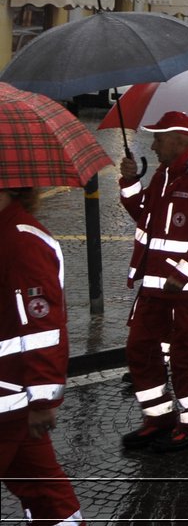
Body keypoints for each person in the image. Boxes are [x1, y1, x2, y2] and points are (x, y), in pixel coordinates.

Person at [119, 111, 188, 454]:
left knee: (184, 358)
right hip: (154, 290)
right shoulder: (164, 175)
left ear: (181, 139)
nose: (154, 143)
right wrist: (129, 181)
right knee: (141, 349)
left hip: (185, 293)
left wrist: (181, 276)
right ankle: (159, 418)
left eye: (159, 137)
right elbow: (144, 216)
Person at [0, 186, 82, 523]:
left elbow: (42, 327)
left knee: (45, 490)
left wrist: (43, 398)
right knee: (45, 492)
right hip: (9, 401)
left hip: (10, 399)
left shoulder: (24, 241)